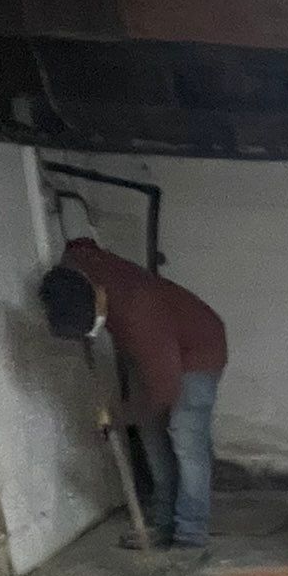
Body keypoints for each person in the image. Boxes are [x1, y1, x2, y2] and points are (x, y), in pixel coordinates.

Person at [39, 237, 227, 552]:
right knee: (152, 440)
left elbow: (165, 391)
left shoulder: (139, 309)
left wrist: (120, 415)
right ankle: (164, 525)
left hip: (199, 348)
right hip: (155, 353)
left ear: (99, 293)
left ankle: (190, 536)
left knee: (185, 438)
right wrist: (128, 414)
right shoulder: (73, 274)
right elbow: (81, 244)